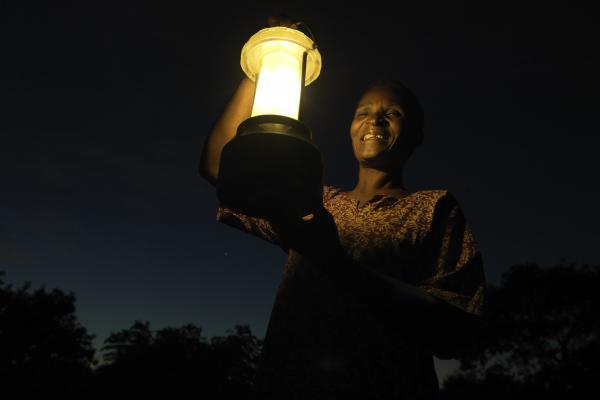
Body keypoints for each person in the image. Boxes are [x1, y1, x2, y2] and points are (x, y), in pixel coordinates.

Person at [199, 22, 486, 400]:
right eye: (363, 112)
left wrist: (333, 260)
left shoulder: (432, 208)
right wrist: (264, 64)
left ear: (416, 134)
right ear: (351, 128)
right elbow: (219, 167)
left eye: (392, 113)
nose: (374, 120)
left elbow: (454, 327)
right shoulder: (315, 202)